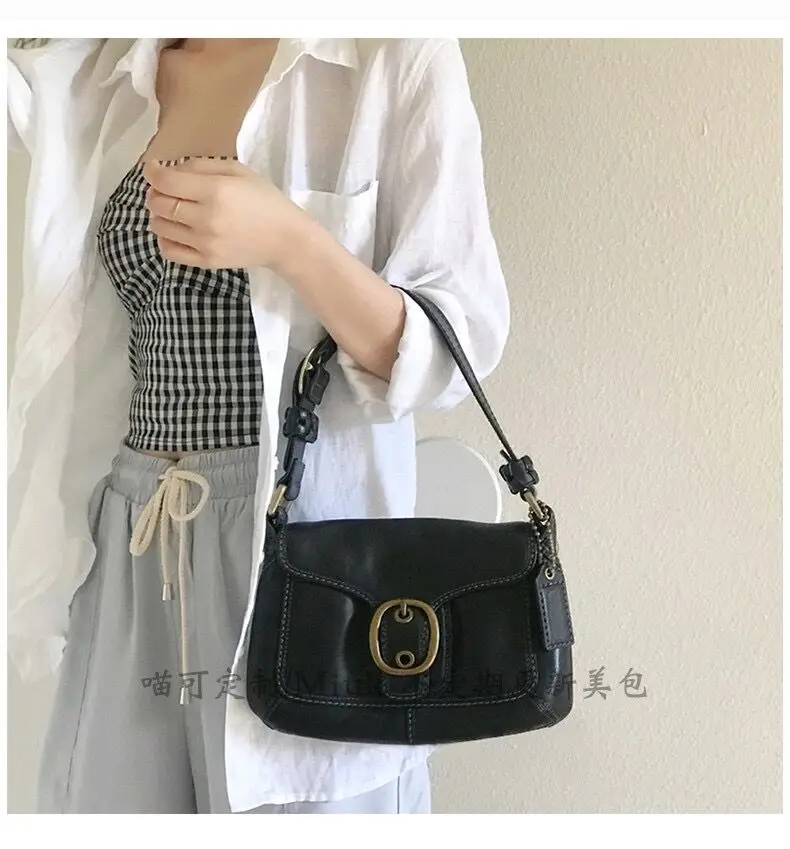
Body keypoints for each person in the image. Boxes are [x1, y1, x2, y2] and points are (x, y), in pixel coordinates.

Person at [7, 37, 511, 814]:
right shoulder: (111, 71)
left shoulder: (391, 51)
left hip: (301, 552)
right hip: (132, 536)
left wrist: (290, 241)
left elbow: (457, 344)